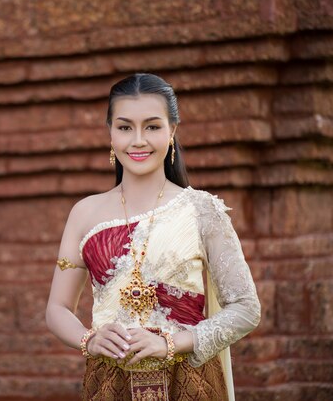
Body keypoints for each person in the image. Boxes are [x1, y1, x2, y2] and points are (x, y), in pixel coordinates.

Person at [45, 73, 261, 401]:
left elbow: (245, 308)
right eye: (125, 127)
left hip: (190, 383)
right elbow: (58, 308)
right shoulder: (84, 213)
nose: (138, 140)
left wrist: (170, 343)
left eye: (152, 126)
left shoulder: (202, 210)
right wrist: (89, 339)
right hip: (109, 384)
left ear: (172, 131)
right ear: (110, 133)